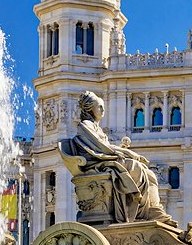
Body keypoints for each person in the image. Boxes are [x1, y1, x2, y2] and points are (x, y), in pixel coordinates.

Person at [72, 91, 176, 226]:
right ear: (89, 108)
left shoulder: (96, 128)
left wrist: (123, 152)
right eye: (99, 107)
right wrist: (129, 154)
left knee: (149, 174)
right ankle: (138, 210)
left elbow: (105, 147)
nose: (102, 110)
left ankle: (152, 210)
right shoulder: (85, 125)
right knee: (136, 167)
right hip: (97, 164)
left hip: (105, 160)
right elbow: (102, 147)